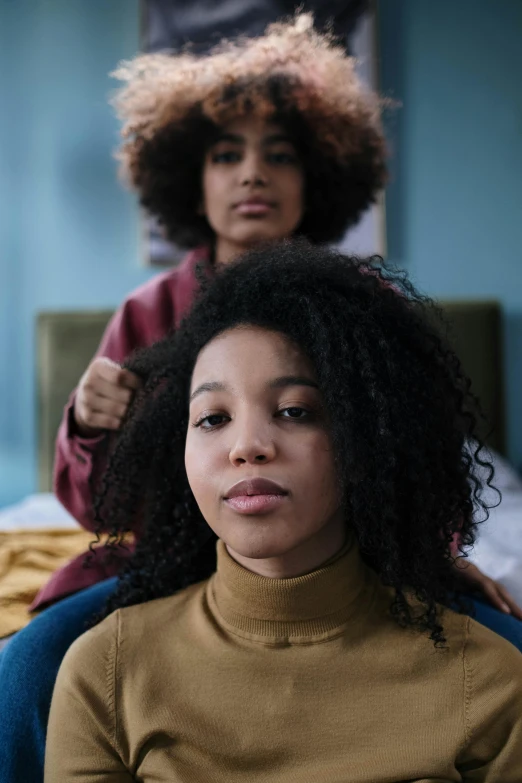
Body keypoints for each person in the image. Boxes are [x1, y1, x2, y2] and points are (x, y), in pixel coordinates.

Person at [0, 14, 520, 783]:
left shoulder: (367, 307)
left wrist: (437, 556)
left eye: (279, 155)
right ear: (190, 182)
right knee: (27, 666)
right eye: (225, 155)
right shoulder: (147, 314)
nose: (252, 173)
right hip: (168, 563)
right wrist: (84, 424)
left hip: (352, 556)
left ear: (316, 178)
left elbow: (411, 455)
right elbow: (94, 503)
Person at [44, 241, 522, 781]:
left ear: (367, 436)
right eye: (211, 419)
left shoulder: (489, 680)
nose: (247, 445)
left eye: (295, 411)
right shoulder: (101, 674)